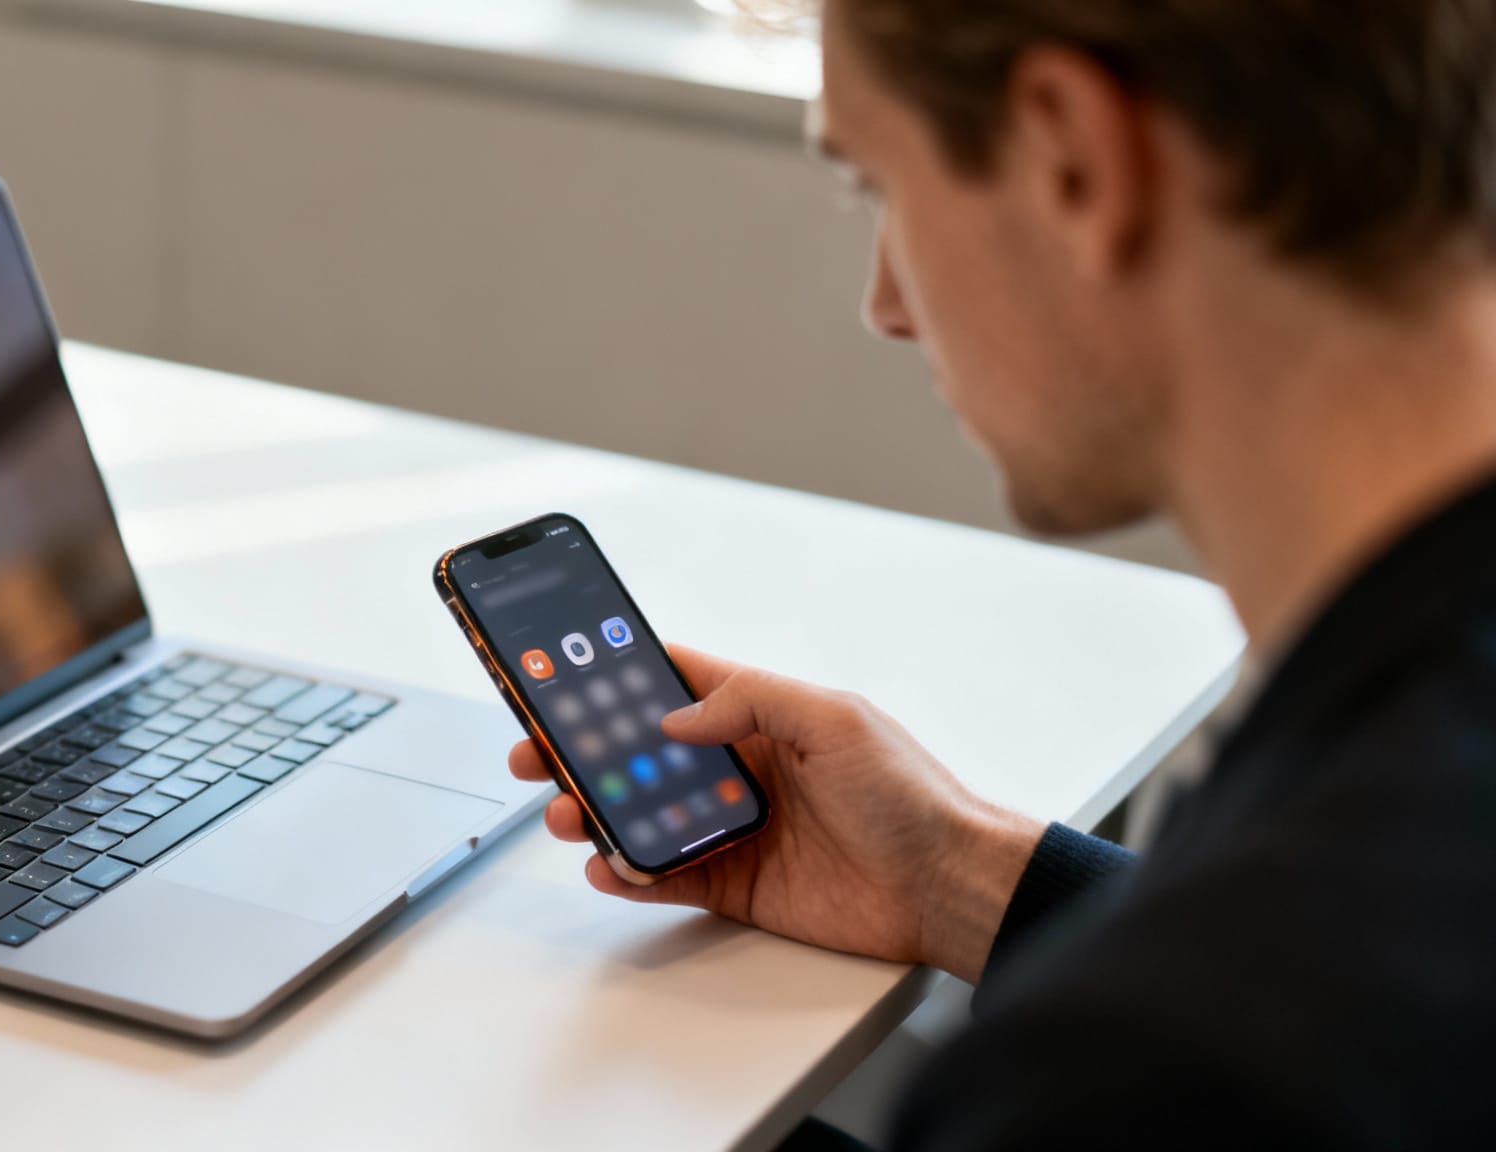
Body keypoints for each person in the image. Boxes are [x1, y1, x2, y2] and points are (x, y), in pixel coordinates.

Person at [509, 2, 1496, 1147]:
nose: (885, 306)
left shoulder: (1169, 1060)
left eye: (878, 184)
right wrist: (957, 874)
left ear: (1067, 156)